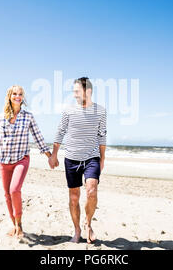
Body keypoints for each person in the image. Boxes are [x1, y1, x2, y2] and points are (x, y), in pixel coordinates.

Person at [0, 85, 55, 238]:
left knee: (14, 190)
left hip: (22, 159)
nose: (17, 96)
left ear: (23, 97)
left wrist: (49, 156)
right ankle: (13, 224)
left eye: (20, 94)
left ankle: (19, 225)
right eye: (14, 94)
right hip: (4, 161)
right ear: (10, 96)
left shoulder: (28, 116)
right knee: (7, 195)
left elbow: (38, 137)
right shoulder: (1, 117)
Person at [49, 77, 107, 244]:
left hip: (92, 157)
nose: (74, 95)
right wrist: (54, 155)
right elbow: (60, 132)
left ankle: (88, 223)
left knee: (91, 191)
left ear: (87, 91)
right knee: (74, 197)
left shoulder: (101, 111)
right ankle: (77, 229)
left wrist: (102, 158)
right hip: (72, 158)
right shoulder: (68, 111)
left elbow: (102, 136)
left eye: (77, 91)